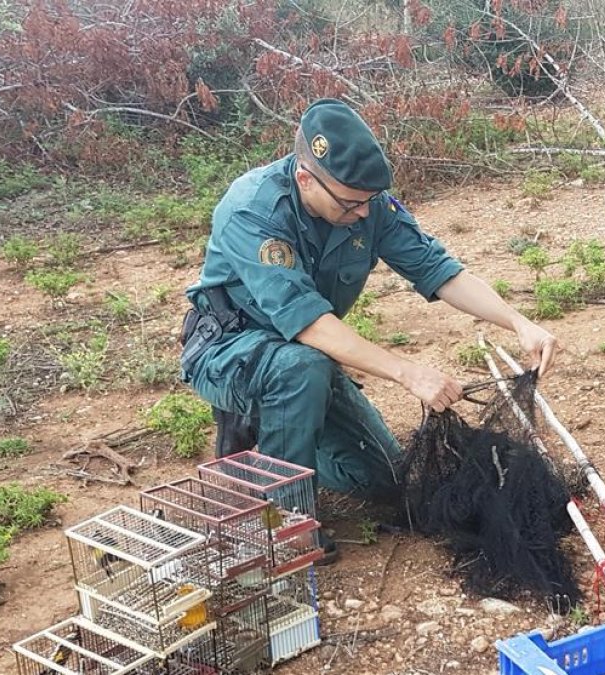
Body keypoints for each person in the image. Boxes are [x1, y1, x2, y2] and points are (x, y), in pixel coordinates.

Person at [180, 98, 559, 562]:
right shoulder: (252, 211)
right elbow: (309, 325)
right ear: (305, 179)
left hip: (309, 359)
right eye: (352, 203)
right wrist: (407, 373)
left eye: (369, 202)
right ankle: (282, 519)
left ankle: (280, 436)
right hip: (229, 351)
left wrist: (518, 322)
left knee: (382, 479)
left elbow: (437, 270)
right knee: (299, 368)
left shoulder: (366, 203)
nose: (364, 214)